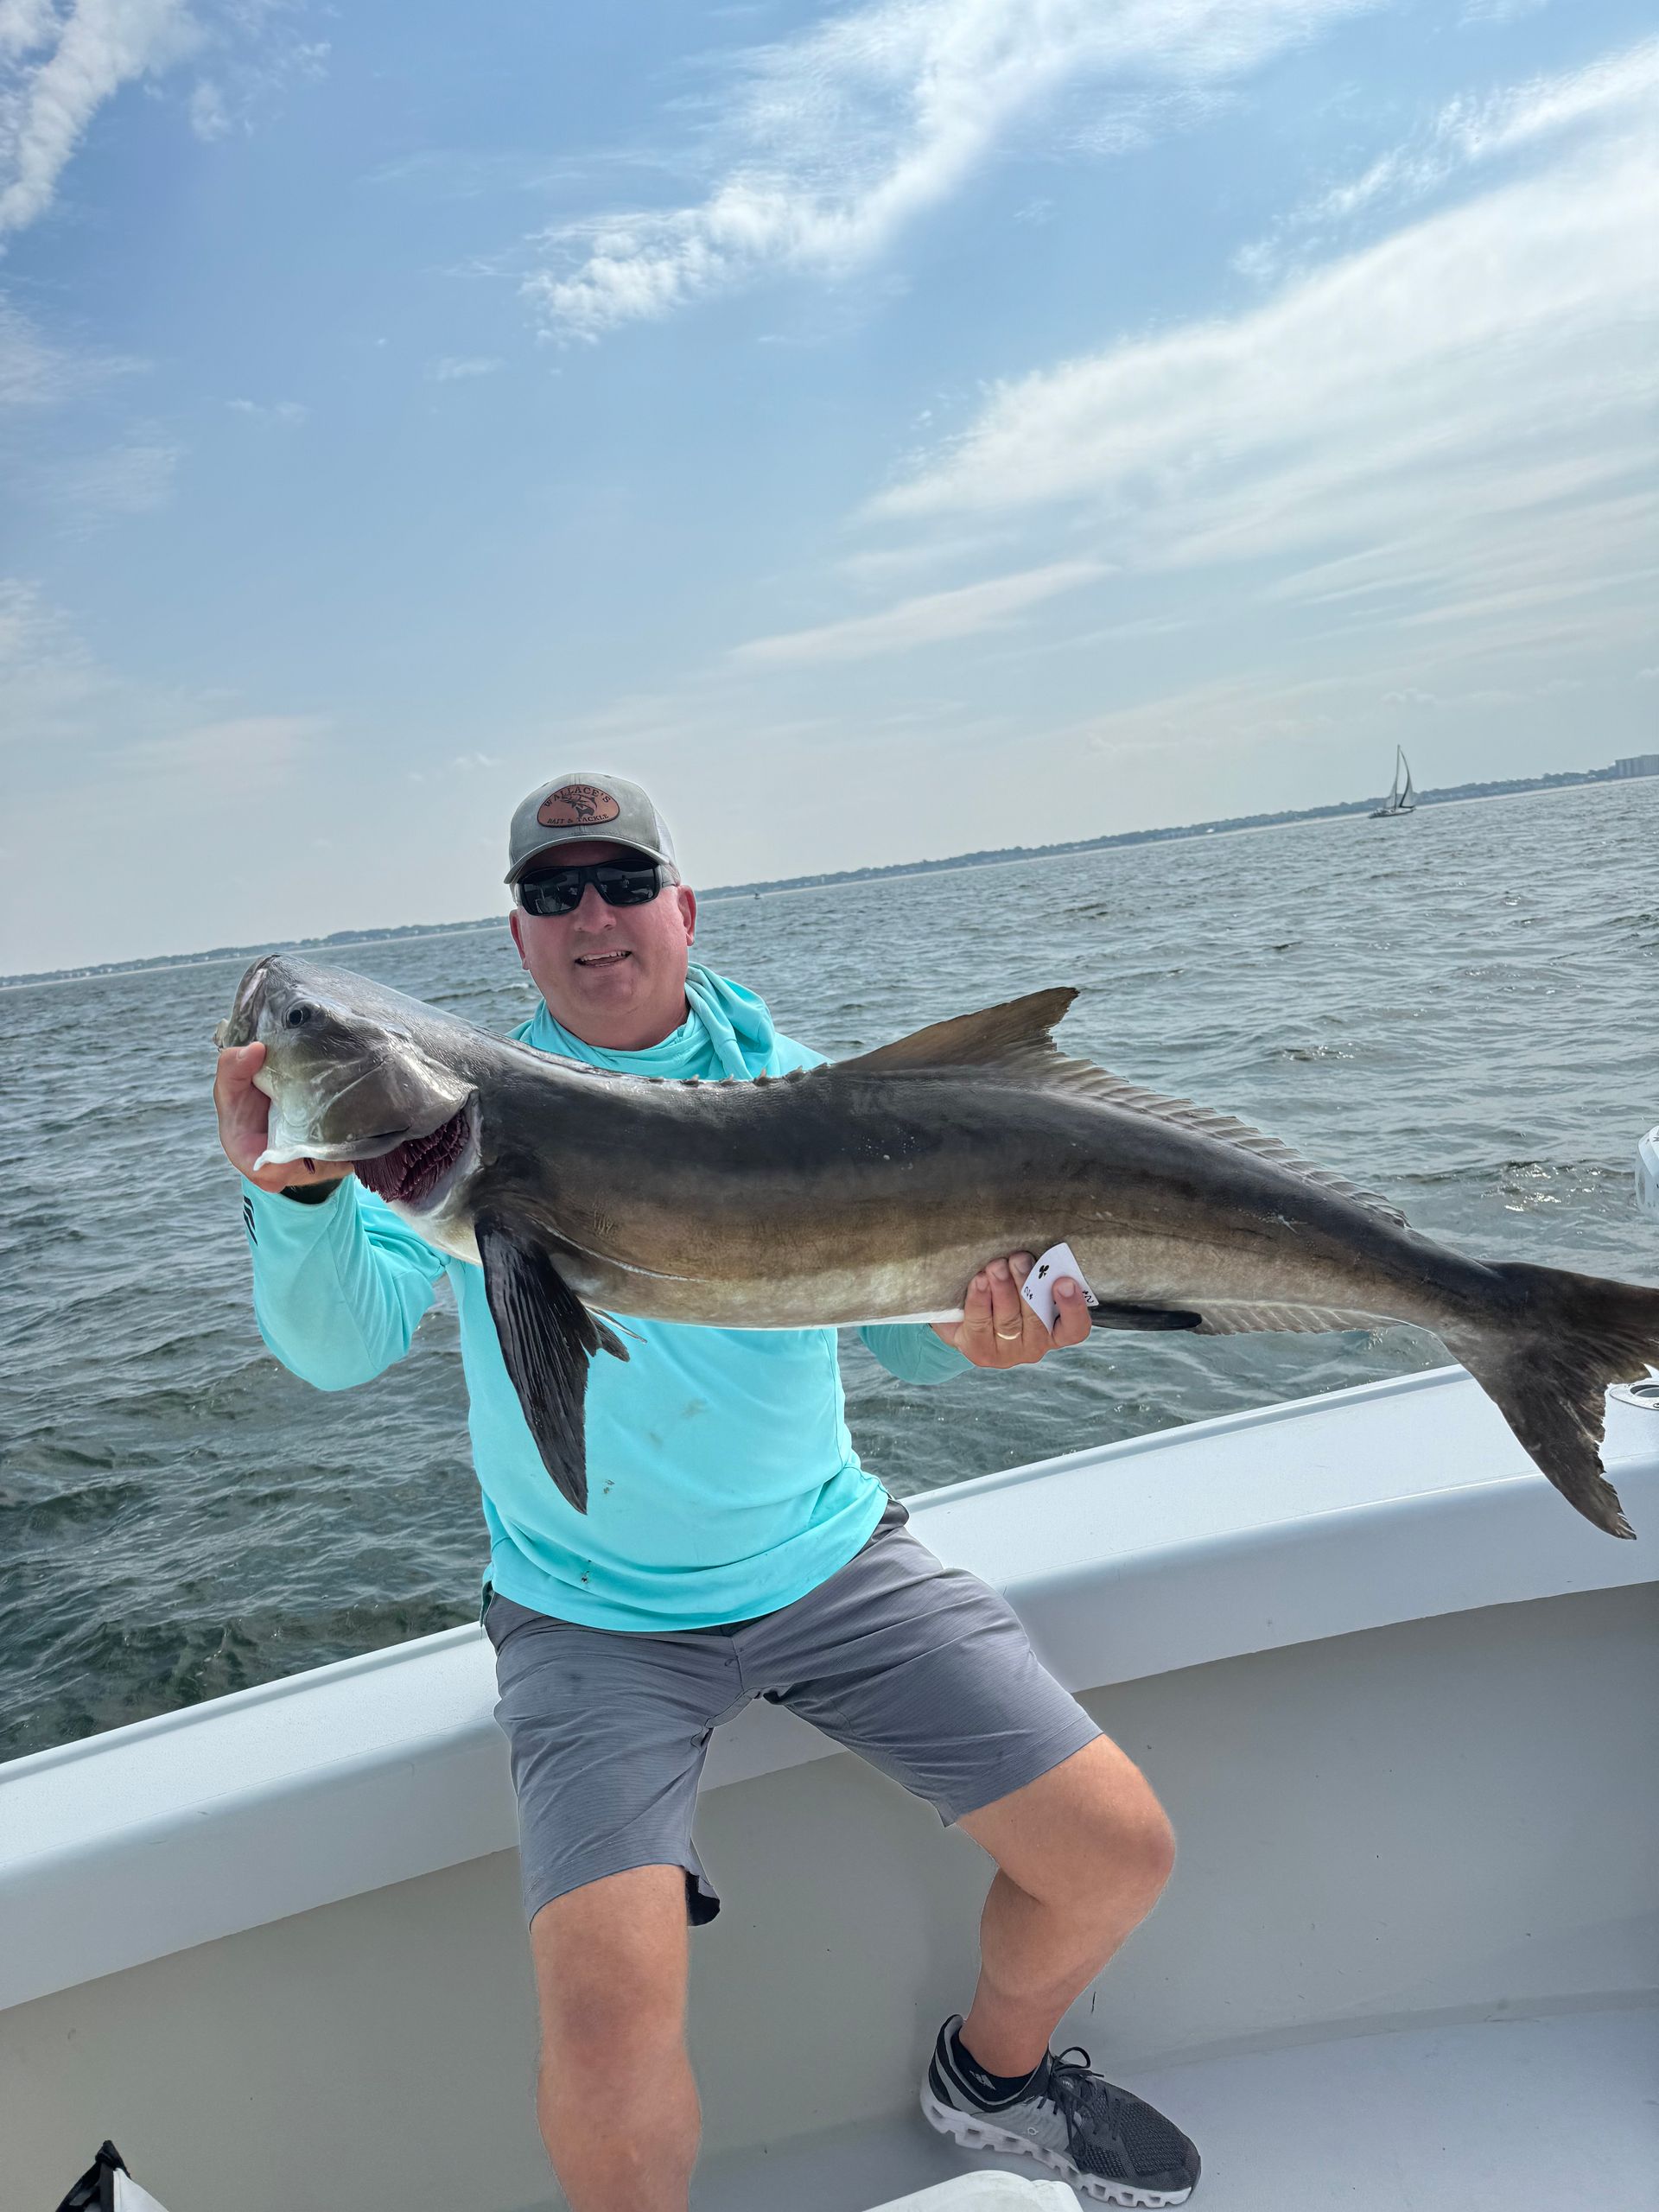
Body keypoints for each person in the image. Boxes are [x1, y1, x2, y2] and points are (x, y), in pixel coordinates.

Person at [213, 771, 1201, 2212]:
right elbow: (338, 1343)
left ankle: (993, 2076)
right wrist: (296, 1197)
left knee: (1118, 1856)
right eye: (553, 894)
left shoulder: (819, 1094)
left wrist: (987, 1332)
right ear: (518, 938)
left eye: (621, 884)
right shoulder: (459, 1126)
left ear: (682, 906)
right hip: (587, 1619)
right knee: (607, 2059)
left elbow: (912, 1363)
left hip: (830, 1566)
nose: (591, 917)